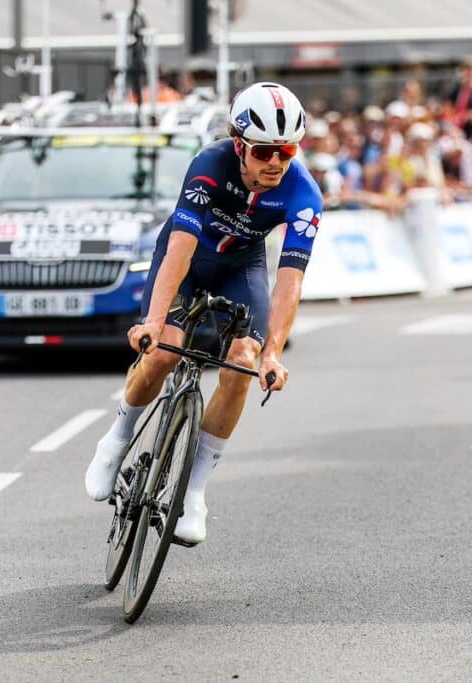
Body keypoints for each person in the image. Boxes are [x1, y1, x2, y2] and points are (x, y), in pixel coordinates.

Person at [84, 82, 323, 545]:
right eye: (263, 152)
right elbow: (179, 248)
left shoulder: (304, 194)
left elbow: (290, 280)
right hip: (188, 259)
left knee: (242, 361)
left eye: (287, 151)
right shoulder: (209, 165)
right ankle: (115, 439)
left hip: (241, 267)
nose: (275, 162)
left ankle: (193, 492)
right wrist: (154, 321)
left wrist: (273, 353)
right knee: (164, 352)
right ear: (239, 144)